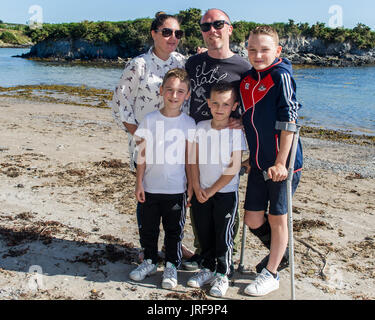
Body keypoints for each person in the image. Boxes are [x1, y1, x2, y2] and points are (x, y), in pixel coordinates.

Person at [111, 12, 194, 260]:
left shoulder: (183, 62)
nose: (173, 37)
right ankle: (148, 249)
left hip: (176, 147)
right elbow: (120, 104)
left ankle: (173, 245)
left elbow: (189, 98)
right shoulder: (138, 65)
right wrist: (142, 136)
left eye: (177, 33)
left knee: (174, 197)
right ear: (154, 34)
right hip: (145, 145)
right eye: (167, 32)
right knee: (147, 197)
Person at [183, 8, 251, 271]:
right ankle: (203, 253)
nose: (212, 30)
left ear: (230, 29)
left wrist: (243, 122)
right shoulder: (193, 63)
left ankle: (223, 258)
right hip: (198, 140)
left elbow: (254, 105)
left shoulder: (244, 67)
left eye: (218, 24)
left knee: (224, 201)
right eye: (206, 27)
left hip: (226, 143)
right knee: (196, 198)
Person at [239, 25, 303, 296]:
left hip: (283, 165)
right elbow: (247, 121)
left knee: (278, 218)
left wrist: (280, 163)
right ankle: (281, 252)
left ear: (277, 50)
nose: (258, 54)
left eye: (264, 49)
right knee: (252, 219)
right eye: (252, 49)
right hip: (257, 163)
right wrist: (249, 157)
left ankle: (272, 272)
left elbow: (289, 122)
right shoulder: (245, 81)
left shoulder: (281, 76)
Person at [129, 68, 196, 289]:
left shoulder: (189, 123)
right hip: (150, 187)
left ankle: (171, 266)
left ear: (187, 95)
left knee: (174, 231)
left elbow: (190, 160)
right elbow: (142, 154)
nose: (174, 95)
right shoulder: (149, 119)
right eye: (169, 90)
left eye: (180, 91)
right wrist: (139, 182)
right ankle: (149, 261)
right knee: (148, 229)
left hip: (176, 189)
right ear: (161, 91)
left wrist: (191, 187)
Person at [187, 82, 247, 297]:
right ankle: (207, 268)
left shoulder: (235, 132)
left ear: (234, 106)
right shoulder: (200, 127)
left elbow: (234, 167)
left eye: (226, 104)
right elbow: (192, 159)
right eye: (215, 103)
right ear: (208, 103)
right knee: (204, 232)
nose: (220, 108)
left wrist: (212, 190)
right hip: (201, 191)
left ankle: (223, 273)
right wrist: (195, 185)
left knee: (223, 235)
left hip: (224, 194)